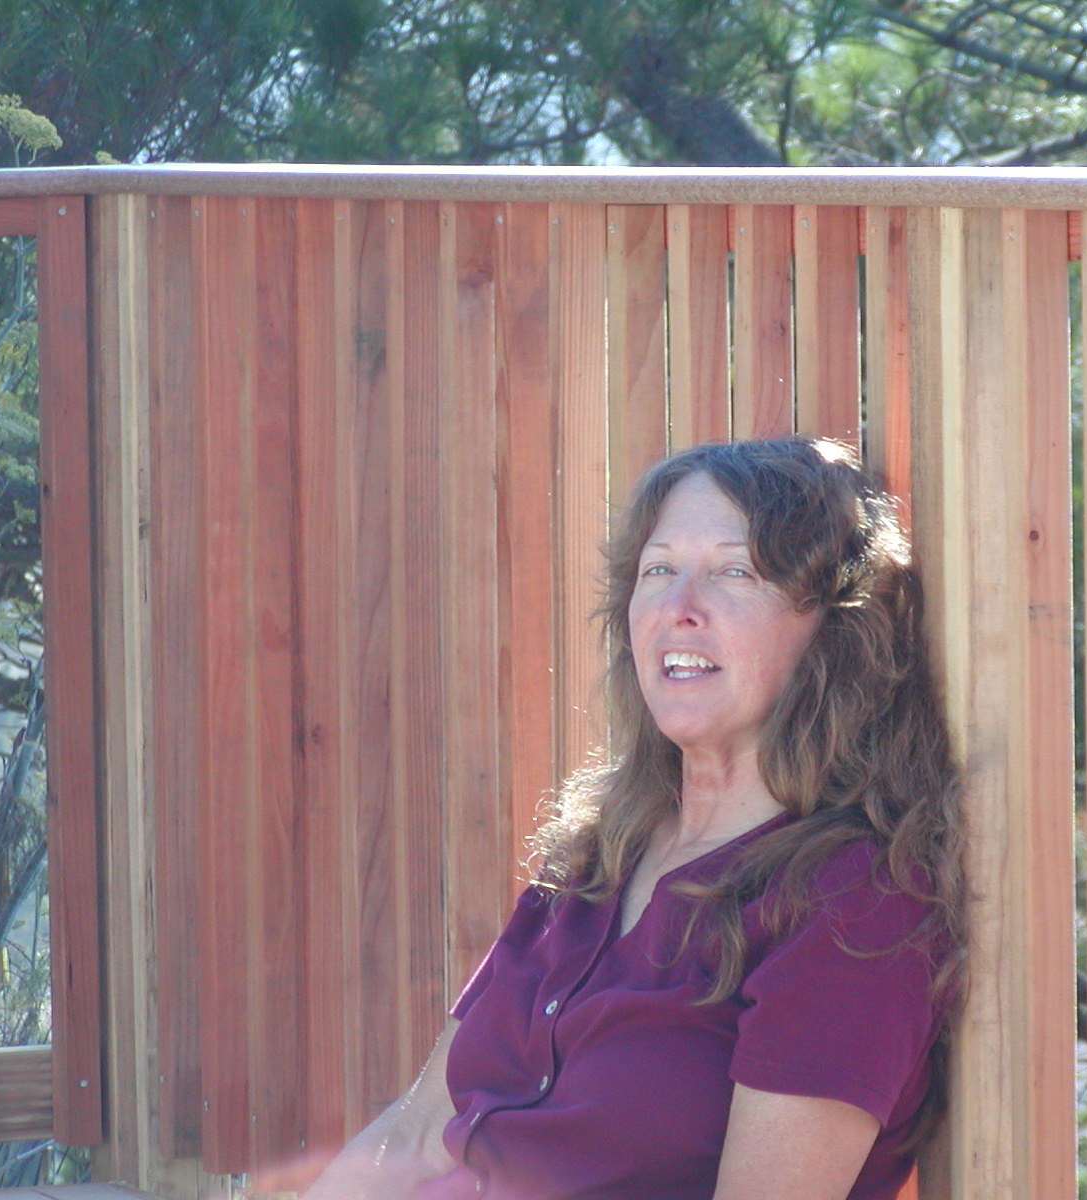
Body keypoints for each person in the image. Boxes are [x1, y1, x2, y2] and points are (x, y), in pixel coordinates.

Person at [306, 437, 965, 1200]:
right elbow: (421, 1127)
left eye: (735, 572)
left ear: (832, 629)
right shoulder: (596, 857)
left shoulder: (853, 901)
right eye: (658, 570)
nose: (680, 607)